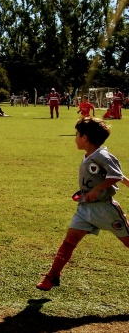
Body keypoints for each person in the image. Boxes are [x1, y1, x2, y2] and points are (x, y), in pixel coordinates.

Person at [36, 117, 126, 291]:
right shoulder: (91, 156)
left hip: (105, 209)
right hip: (85, 208)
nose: (75, 137)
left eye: (77, 134)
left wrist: (98, 189)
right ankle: (52, 276)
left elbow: (116, 175)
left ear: (85, 138)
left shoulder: (101, 155)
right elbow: (116, 175)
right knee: (69, 241)